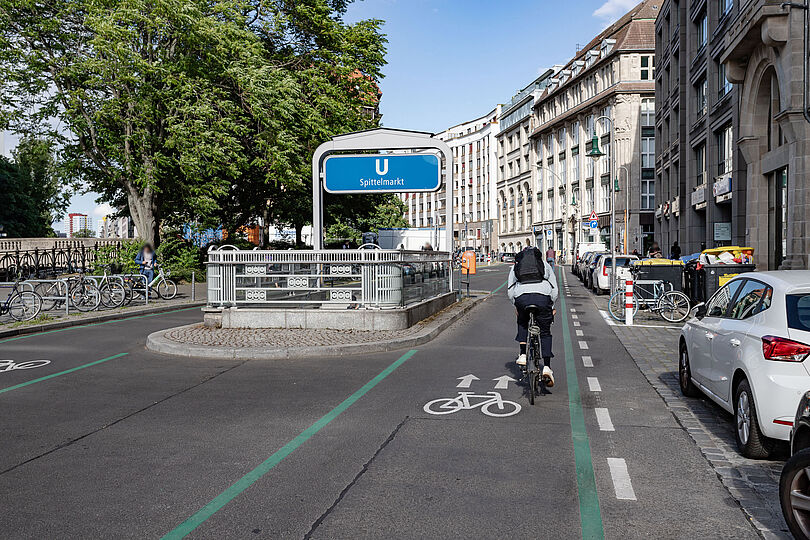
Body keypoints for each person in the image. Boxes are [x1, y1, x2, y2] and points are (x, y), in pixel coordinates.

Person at [508, 246, 558, 387]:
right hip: (543, 299)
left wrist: (516, 306)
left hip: (522, 299)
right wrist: (551, 307)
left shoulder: (516, 267)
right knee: (545, 332)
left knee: (523, 321)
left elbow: (510, 290)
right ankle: (547, 367)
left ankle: (523, 354)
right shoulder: (544, 265)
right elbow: (554, 288)